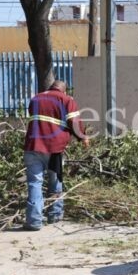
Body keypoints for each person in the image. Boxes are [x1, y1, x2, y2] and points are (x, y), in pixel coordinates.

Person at [23, 80, 89, 230]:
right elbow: (74, 122)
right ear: (64, 90)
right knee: (55, 182)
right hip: (54, 149)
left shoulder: (36, 98)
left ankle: (34, 221)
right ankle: (55, 215)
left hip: (33, 146)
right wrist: (83, 137)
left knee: (34, 183)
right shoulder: (66, 100)